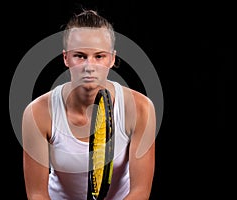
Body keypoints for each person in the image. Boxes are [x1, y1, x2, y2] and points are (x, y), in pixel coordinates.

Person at [22, 9, 156, 200]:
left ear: (112, 59)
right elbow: (36, 194)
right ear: (66, 58)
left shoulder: (141, 108)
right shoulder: (37, 113)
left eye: (99, 56)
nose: (89, 66)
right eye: (80, 56)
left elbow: (140, 192)